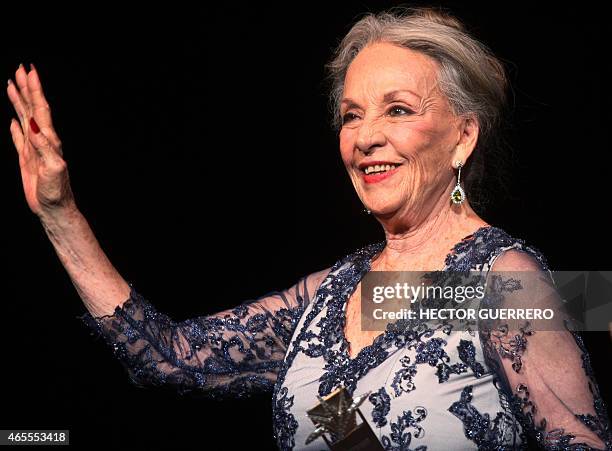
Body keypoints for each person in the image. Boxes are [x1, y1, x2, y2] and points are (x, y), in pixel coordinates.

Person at [7, 6, 611, 450]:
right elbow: (172, 357)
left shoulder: (500, 284)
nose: (365, 135)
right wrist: (61, 215)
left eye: (398, 109)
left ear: (463, 136)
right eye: (352, 115)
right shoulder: (336, 293)